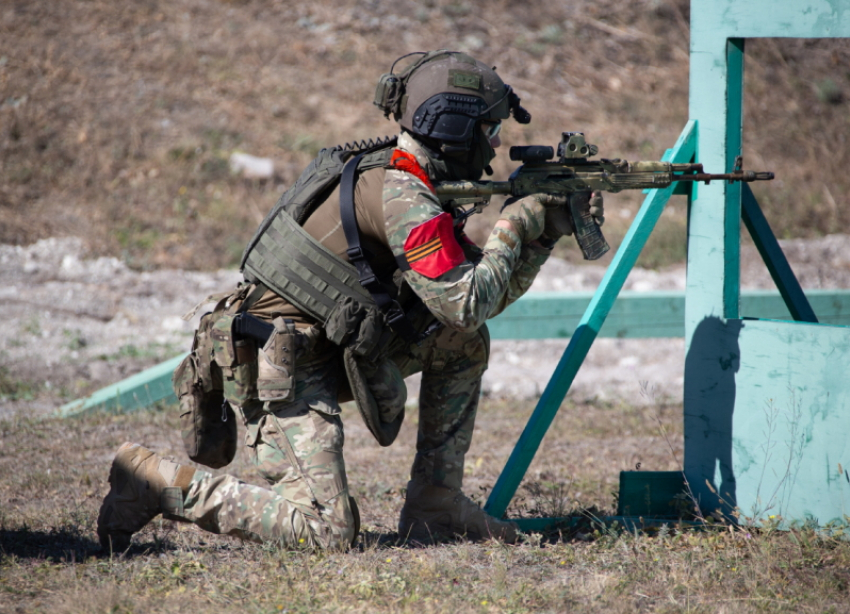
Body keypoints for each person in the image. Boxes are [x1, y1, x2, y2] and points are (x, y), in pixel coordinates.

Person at [96, 50, 604, 552]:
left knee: (461, 344)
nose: (495, 144)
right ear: (453, 127)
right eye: (489, 129)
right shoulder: (404, 195)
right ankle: (155, 482)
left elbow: (476, 302)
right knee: (325, 530)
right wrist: (515, 225)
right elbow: (464, 302)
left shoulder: (409, 179)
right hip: (278, 365)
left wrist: (540, 239)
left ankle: (436, 504)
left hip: (323, 347)